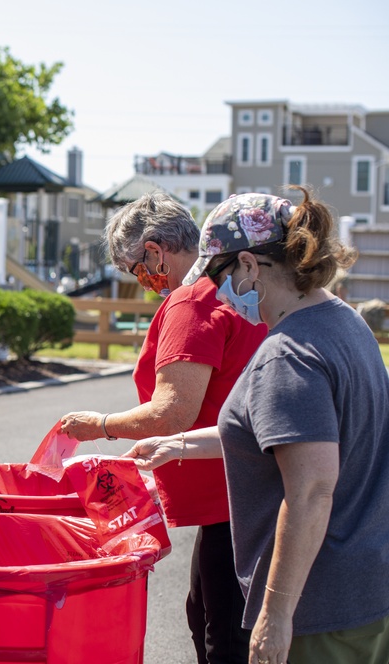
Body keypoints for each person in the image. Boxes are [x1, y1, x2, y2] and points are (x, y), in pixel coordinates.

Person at [126, 188, 389, 664]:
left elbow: (310, 491)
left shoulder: (288, 352)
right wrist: (178, 443)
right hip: (365, 588)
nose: (221, 292)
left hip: (317, 606)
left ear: (248, 265)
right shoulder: (347, 324)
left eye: (221, 275)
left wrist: (275, 615)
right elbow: (279, 434)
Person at [57, 192, 267, 664]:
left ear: (155, 251)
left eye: (137, 269)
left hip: (231, 493)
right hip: (249, 482)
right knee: (207, 612)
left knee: (225, 632)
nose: (144, 283)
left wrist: (101, 426)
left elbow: (171, 412)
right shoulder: (233, 289)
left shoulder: (192, 300)